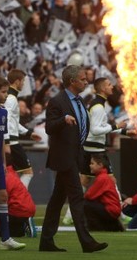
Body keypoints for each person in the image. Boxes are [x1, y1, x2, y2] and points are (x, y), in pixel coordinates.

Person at [39, 65, 108, 253]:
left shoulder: (80, 102)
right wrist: (64, 120)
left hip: (75, 156)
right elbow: (49, 128)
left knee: (57, 200)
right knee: (77, 197)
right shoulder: (57, 101)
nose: (87, 82)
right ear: (72, 81)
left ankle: (46, 241)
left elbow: (84, 128)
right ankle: (86, 241)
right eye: (83, 79)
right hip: (64, 157)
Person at [66, 77, 134, 225]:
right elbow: (96, 130)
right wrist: (116, 126)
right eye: (109, 85)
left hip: (89, 147)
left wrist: (125, 132)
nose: (112, 87)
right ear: (102, 88)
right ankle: (121, 214)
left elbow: (102, 126)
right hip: (96, 149)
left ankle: (69, 215)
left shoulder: (99, 105)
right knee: (111, 180)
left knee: (83, 181)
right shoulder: (98, 107)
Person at [0, 75, 26, 250]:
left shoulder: (3, 112)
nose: (6, 95)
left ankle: (5, 239)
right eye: (3, 92)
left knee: (2, 196)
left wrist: (2, 162)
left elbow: (1, 138)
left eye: (7, 92)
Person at [4, 69, 41, 189]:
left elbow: (13, 122)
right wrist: (7, 142)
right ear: (17, 81)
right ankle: (18, 198)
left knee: (5, 174)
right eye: (23, 81)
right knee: (28, 172)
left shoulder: (10, 97)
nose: (24, 84)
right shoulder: (11, 98)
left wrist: (28, 133)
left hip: (9, 141)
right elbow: (7, 120)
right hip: (12, 142)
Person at [0, 158, 37, 239]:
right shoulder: (12, 175)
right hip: (26, 208)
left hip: (17, 211)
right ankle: (24, 225)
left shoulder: (3, 179)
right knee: (14, 231)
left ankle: (24, 226)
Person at [83, 154, 124, 232]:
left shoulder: (102, 178)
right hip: (112, 210)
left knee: (85, 204)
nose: (90, 165)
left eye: (92, 163)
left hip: (111, 210)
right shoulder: (103, 177)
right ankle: (111, 225)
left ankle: (96, 227)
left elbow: (89, 195)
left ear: (100, 165)